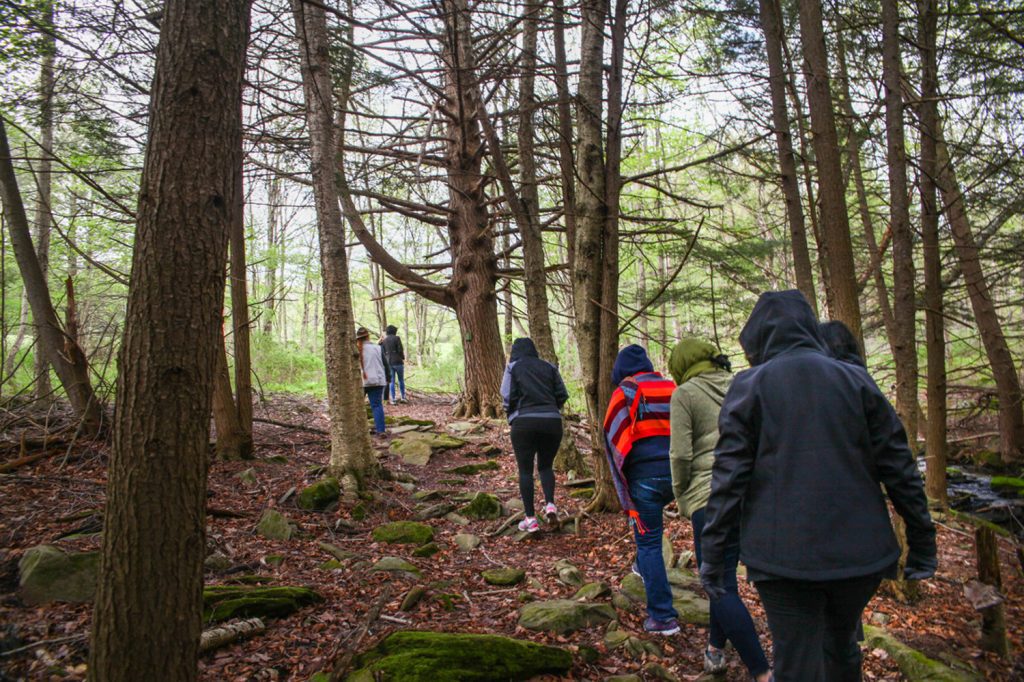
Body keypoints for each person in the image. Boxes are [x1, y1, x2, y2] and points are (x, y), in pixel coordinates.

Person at [700, 290, 937, 682]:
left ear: (757, 340)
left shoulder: (749, 386)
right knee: (841, 645)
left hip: (782, 560)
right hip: (859, 557)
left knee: (796, 663)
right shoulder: (856, 379)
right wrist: (922, 542)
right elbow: (899, 467)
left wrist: (713, 555)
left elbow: (728, 480)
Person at [668, 339, 771, 681]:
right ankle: (714, 649)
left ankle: (761, 672)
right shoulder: (741, 384)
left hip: (708, 498)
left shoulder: (685, 394)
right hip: (749, 494)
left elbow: (681, 454)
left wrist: (682, 495)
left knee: (718, 584)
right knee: (722, 579)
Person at [603, 344, 680, 635]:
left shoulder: (624, 393)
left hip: (644, 479)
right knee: (650, 540)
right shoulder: (673, 388)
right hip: (676, 477)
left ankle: (663, 617)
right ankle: (641, 565)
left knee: (649, 544)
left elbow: (613, 438)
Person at [500, 338, 569, 533]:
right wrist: (551, 409)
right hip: (552, 422)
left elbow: (506, 395)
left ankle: (530, 519)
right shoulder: (548, 366)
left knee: (525, 471)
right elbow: (562, 394)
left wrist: (512, 414)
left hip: (524, 422)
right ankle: (550, 505)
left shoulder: (513, 367)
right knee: (546, 466)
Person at [356, 326, 387, 436]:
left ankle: (360, 431)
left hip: (361, 382)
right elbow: (385, 364)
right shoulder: (377, 348)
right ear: (368, 336)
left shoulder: (354, 350)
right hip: (377, 380)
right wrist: (388, 378)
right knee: (377, 405)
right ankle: (381, 430)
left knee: (357, 407)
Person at [381, 324, 407, 404]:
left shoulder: (384, 340)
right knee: (401, 380)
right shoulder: (397, 338)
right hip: (398, 362)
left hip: (389, 362)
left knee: (392, 381)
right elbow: (400, 349)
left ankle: (393, 399)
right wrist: (402, 357)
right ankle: (403, 397)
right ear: (394, 331)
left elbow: (383, 352)